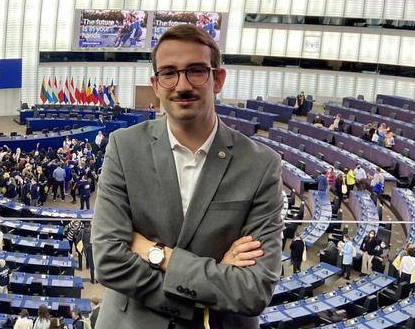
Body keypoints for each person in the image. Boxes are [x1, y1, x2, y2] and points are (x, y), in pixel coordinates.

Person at [91, 24, 283, 329]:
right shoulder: (124, 147)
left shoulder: (261, 165)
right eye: (169, 73)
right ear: (155, 84)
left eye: (196, 71)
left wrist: (157, 254)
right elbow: (108, 262)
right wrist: (209, 285)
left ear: (217, 79)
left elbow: (253, 289)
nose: (182, 85)